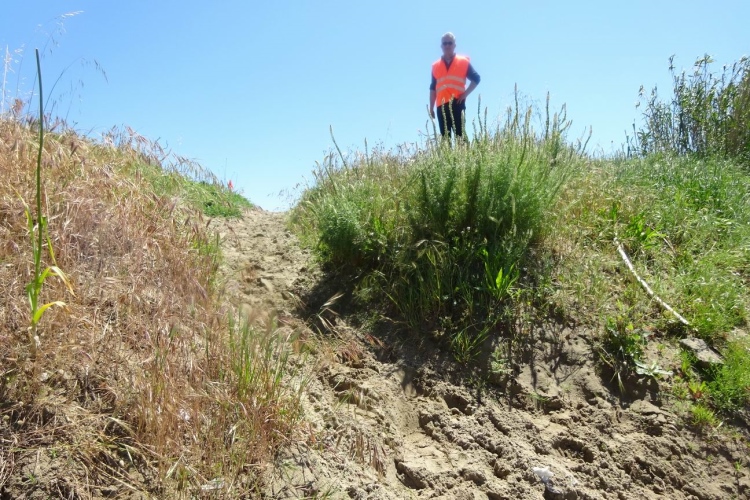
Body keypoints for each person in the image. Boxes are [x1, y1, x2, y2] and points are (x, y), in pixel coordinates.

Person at [429, 32, 480, 139]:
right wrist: (431, 107)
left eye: (450, 43)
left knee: (460, 137)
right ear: (441, 46)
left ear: (454, 45)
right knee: (445, 140)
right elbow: (433, 88)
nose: (447, 45)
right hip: (441, 106)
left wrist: (465, 94)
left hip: (457, 103)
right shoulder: (435, 66)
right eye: (445, 43)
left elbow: (476, 78)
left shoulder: (463, 62)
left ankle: (465, 151)